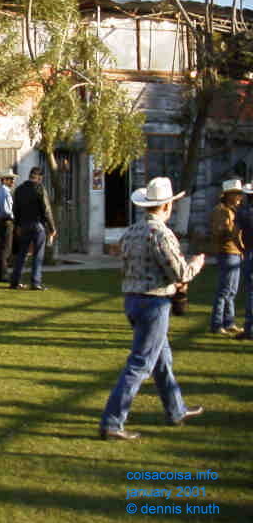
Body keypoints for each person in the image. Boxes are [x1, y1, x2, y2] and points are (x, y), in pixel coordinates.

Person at [99, 177, 205, 441]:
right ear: (166, 206)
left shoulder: (132, 231)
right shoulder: (161, 233)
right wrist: (196, 264)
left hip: (132, 300)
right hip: (154, 302)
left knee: (161, 359)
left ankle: (176, 409)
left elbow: (123, 265)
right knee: (140, 364)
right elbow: (178, 273)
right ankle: (113, 421)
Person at [10, 167, 57, 290]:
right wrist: (52, 228)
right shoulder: (40, 188)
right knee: (38, 254)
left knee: (22, 254)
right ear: (39, 177)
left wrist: (17, 225)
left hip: (24, 225)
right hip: (37, 225)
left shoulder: (19, 190)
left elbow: (15, 210)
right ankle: (35, 282)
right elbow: (46, 210)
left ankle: (15, 281)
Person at [209, 179, 245, 336]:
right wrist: (228, 228)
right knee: (224, 290)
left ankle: (229, 322)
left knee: (232, 290)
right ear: (228, 195)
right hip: (227, 252)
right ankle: (217, 324)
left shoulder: (234, 210)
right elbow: (217, 231)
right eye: (236, 194)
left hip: (236, 252)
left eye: (240, 194)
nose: (239, 197)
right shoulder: (221, 210)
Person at [0, 171, 18, 283]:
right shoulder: (4, 192)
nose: (13, 181)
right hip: (5, 222)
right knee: (5, 249)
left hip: (1, 221)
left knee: (3, 248)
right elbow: (7, 210)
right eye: (10, 179)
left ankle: (2, 274)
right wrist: (15, 217)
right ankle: (3, 275)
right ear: (4, 180)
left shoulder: (1, 191)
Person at [236, 182, 253, 341]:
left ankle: (250, 328)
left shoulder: (243, 212)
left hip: (249, 251)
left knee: (250, 292)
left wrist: (241, 248)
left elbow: (236, 233)